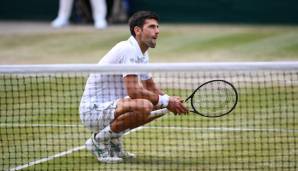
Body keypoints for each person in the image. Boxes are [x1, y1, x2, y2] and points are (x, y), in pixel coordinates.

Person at [79, 11, 188, 163]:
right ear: (138, 30)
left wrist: (171, 100)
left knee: (160, 107)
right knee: (144, 106)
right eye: (151, 27)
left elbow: (151, 88)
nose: (157, 31)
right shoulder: (127, 49)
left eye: (157, 27)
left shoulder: (142, 53)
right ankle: (99, 141)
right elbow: (134, 91)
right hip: (93, 111)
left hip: (114, 106)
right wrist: (166, 100)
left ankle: (113, 141)